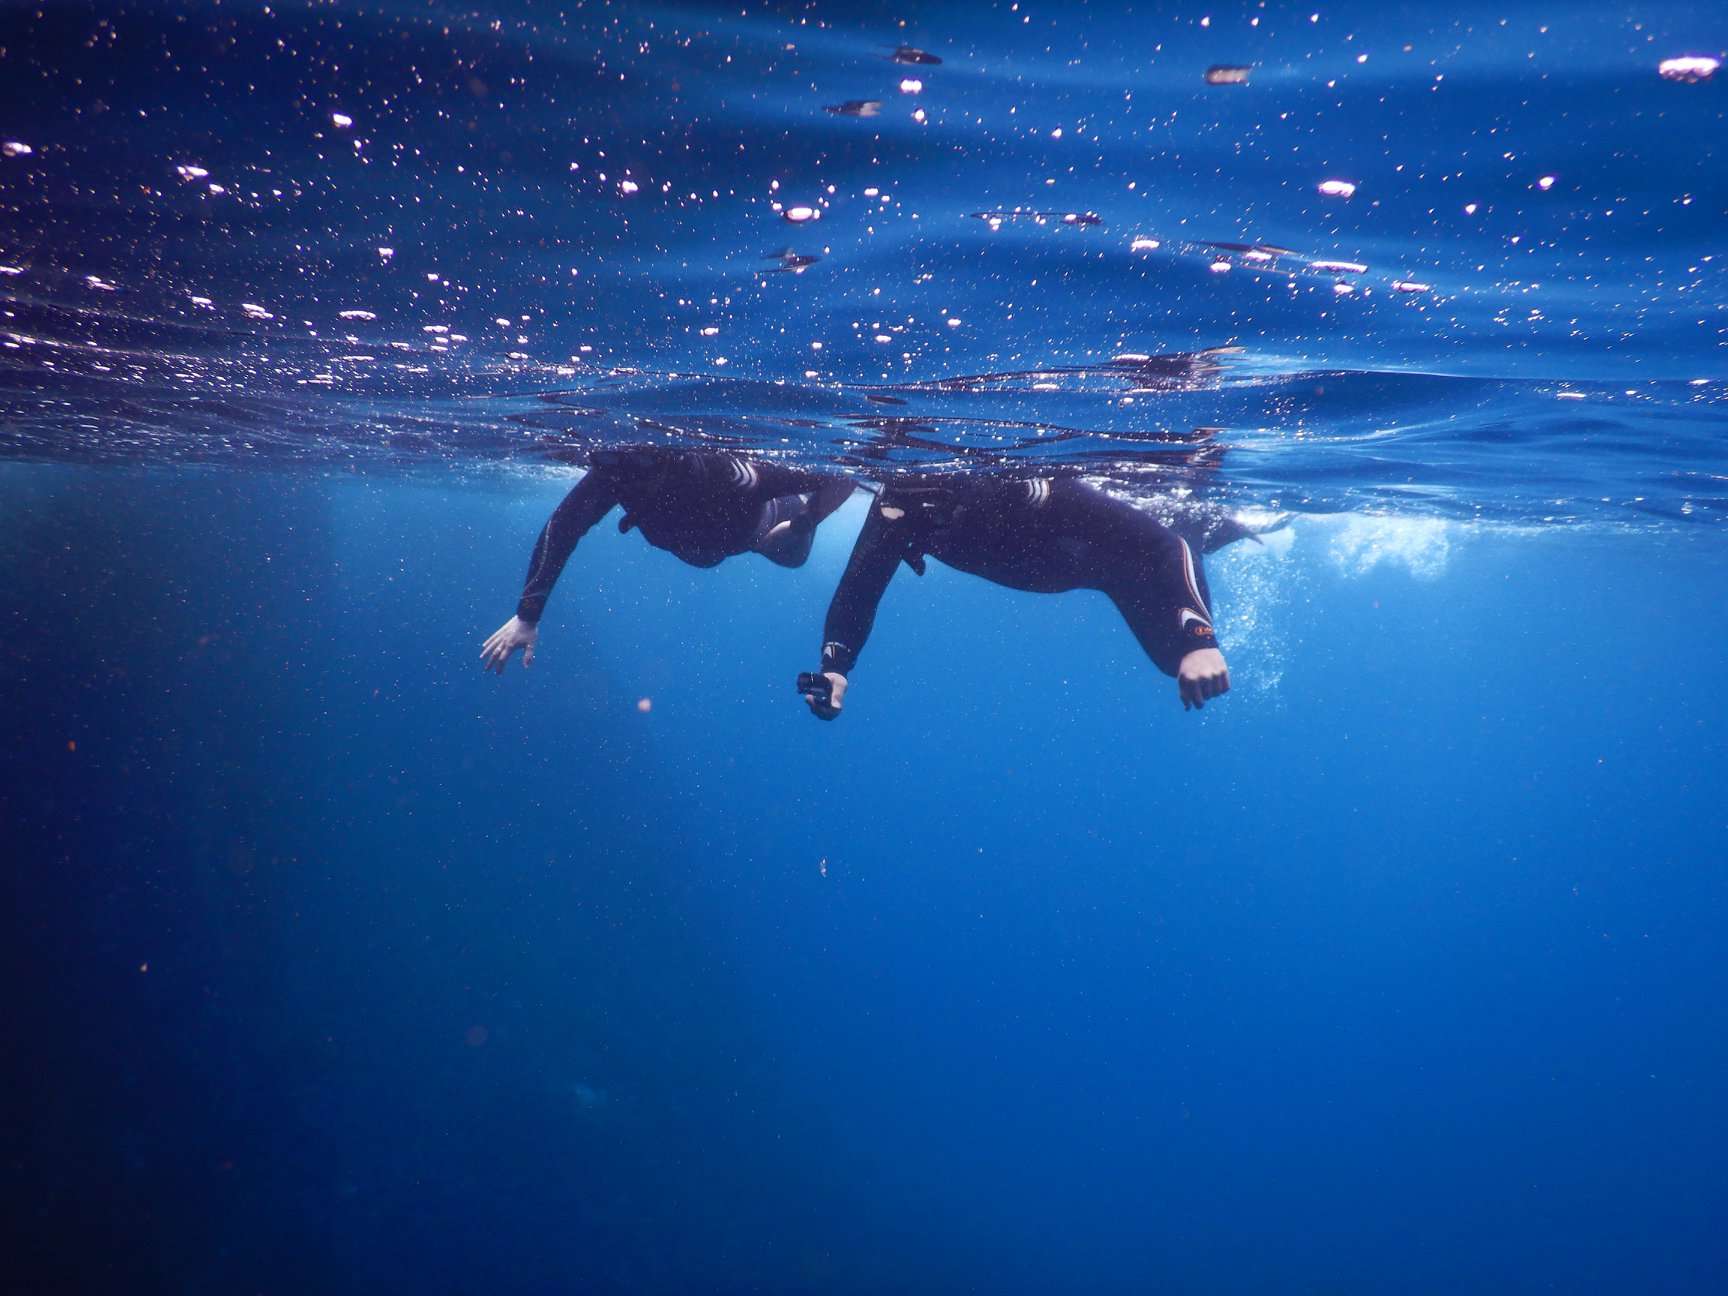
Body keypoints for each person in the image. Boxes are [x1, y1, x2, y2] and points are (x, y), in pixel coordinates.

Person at [800, 472, 1264, 718]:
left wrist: (1201, 639)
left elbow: (1159, 546)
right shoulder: (896, 507)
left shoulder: (1026, 488)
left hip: (1126, 561)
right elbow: (859, 587)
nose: (908, 499)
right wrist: (835, 668)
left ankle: (1204, 523)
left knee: (1179, 660)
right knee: (1172, 665)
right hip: (1077, 571)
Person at [482, 447, 854, 673]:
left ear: (663, 461)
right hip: (701, 549)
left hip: (764, 528)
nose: (626, 474)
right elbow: (562, 528)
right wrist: (527, 615)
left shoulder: (720, 472)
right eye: (614, 463)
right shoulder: (614, 474)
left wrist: (803, 523)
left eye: (639, 463)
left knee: (795, 557)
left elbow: (844, 473)